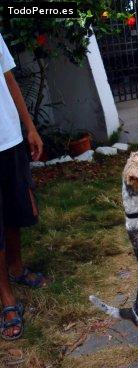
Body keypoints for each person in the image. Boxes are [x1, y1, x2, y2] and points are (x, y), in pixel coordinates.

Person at [0, 32, 46, 340]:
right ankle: (6, 300)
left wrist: (29, 127)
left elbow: (10, 80)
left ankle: (16, 268)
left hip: (10, 140)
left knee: (16, 210)